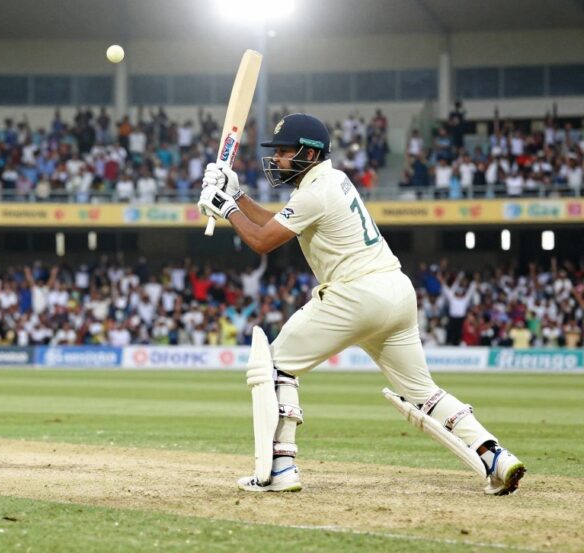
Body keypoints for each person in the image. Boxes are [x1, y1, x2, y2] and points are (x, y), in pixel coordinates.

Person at [197, 113, 525, 495]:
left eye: (285, 152)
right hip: (396, 292)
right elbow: (274, 225)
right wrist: (235, 197)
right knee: (423, 392)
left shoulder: (314, 192)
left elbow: (262, 242)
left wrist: (227, 208)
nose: (278, 160)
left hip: (355, 294)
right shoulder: (331, 180)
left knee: (277, 365)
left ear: (309, 152)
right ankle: (495, 456)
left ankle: (282, 468)